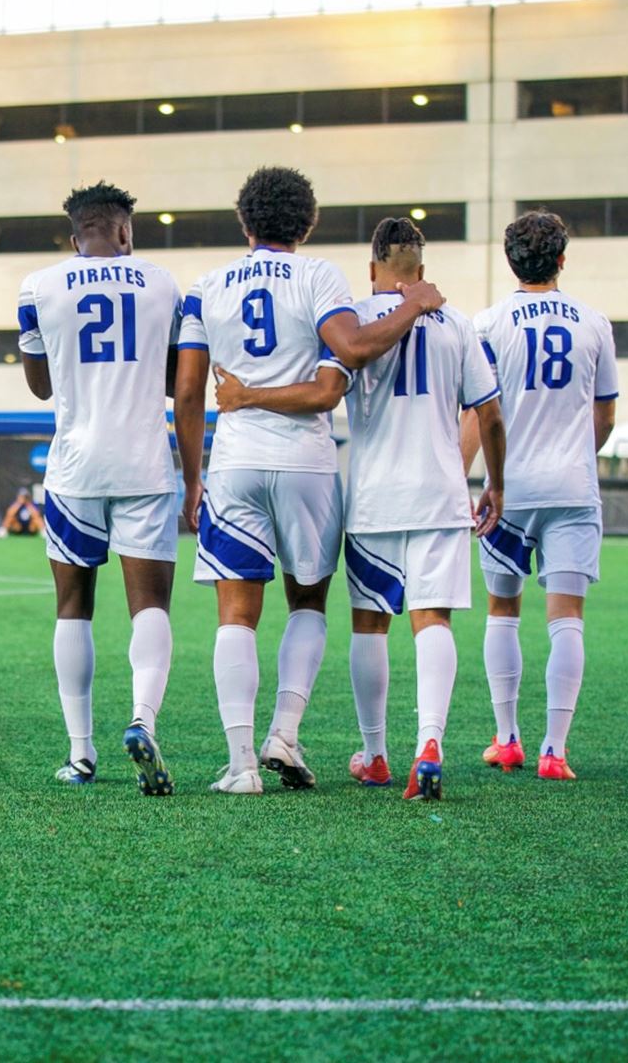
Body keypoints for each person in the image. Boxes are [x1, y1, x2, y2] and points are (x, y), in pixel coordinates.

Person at [175, 170, 447, 795]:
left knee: (236, 616)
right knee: (307, 603)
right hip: (306, 464)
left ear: (244, 223)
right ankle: (285, 734)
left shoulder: (206, 286)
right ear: (308, 224)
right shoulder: (319, 275)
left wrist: (193, 478)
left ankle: (242, 764)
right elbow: (350, 349)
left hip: (235, 461)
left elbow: (189, 393)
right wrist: (413, 302)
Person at [218, 219, 504, 800]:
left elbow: (325, 388)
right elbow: (490, 414)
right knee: (433, 620)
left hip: (373, 498)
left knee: (371, 624)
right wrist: (494, 482)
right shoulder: (459, 326)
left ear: (373, 270)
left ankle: (375, 754)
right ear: (420, 274)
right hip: (441, 495)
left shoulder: (350, 319)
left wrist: (246, 395)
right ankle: (430, 742)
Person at [17, 181, 183, 794]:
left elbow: (40, 386)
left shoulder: (39, 285)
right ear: (124, 231)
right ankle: (142, 720)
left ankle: (81, 753)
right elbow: (174, 381)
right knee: (150, 606)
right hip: (143, 462)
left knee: (72, 607)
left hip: (74, 465)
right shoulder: (164, 284)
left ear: (73, 236)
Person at [463, 210, 618, 781]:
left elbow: (480, 416)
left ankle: (507, 740)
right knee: (567, 619)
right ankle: (555, 750)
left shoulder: (489, 323)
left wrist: (466, 481)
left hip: (512, 489)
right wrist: (578, 451)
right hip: (573, 487)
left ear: (511, 261)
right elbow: (605, 416)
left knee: (503, 611)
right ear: (561, 259)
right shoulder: (595, 323)